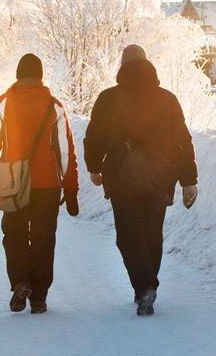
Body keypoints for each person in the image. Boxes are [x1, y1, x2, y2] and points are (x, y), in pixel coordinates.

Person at [84, 44, 198, 316]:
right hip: (160, 176)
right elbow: (182, 141)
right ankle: (147, 286)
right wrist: (188, 179)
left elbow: (94, 136)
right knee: (151, 233)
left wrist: (94, 166)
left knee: (128, 235)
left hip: (121, 176)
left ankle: (144, 286)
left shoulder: (108, 98)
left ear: (122, 66)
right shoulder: (166, 99)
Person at [0, 53, 79, 315]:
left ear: (18, 75)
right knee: (45, 238)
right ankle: (40, 297)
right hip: (47, 184)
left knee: (14, 234)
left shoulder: (4, 104)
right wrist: (70, 188)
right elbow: (65, 150)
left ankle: (21, 281)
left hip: (13, 182)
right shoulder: (54, 105)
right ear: (41, 76)